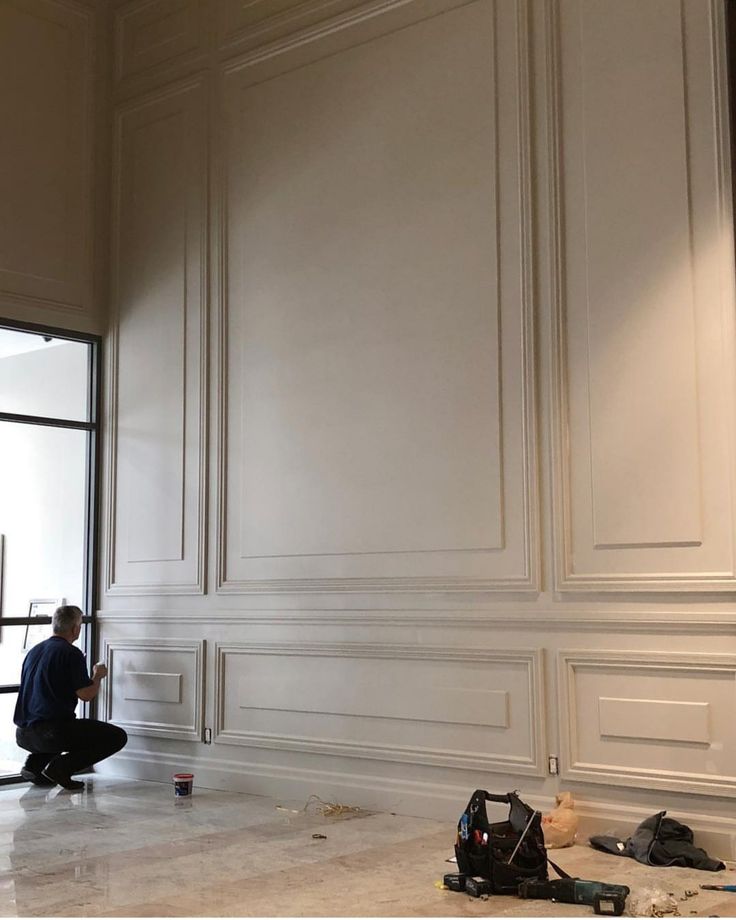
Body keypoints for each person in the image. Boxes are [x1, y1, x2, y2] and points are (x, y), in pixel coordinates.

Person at [14, 604, 127, 790]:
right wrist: (98, 676)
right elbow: (86, 695)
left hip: (24, 733)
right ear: (75, 628)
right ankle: (61, 768)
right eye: (80, 625)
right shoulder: (70, 653)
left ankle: (34, 766)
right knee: (116, 737)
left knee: (64, 727)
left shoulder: (34, 651)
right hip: (51, 733)